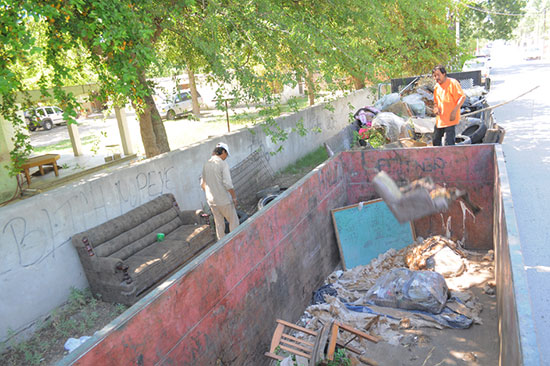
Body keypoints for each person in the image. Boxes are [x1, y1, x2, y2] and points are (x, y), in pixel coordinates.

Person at [201, 142, 239, 240]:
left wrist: (210, 194)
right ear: (223, 151)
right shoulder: (222, 164)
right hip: (223, 200)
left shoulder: (207, 164)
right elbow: (228, 184)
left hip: (211, 201)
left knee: (219, 224)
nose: (226, 157)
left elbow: (202, 184)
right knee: (233, 221)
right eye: (226, 154)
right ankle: (235, 242)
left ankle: (221, 245)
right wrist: (234, 197)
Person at [432, 65, 466, 146]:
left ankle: (449, 158)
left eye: (438, 75)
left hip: (450, 119)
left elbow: (462, 97)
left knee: (448, 143)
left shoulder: (452, 83)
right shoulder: (437, 87)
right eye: (435, 76)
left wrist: (454, 111)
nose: (437, 77)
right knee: (435, 140)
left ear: (444, 74)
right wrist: (435, 108)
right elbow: (436, 102)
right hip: (440, 119)